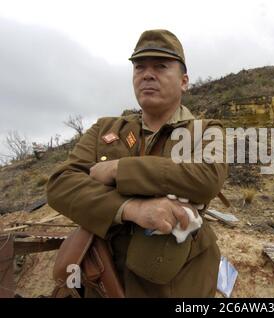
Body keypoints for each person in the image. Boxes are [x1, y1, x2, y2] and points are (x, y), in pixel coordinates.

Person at [47, 29, 227, 297]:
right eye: (139, 67)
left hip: (178, 285)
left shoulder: (205, 131)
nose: (147, 74)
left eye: (161, 66)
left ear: (184, 81)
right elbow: (61, 185)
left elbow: (206, 179)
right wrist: (131, 208)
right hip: (103, 281)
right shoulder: (105, 129)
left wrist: (119, 169)